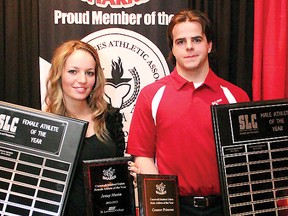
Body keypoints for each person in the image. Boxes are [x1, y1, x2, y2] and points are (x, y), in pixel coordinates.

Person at [126, 9, 250, 216]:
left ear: (209, 45)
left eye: (197, 39)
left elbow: (247, 158)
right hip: (174, 208)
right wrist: (162, 205)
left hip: (227, 208)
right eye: (181, 41)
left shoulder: (236, 96)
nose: (189, 47)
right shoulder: (151, 95)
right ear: (172, 49)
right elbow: (143, 157)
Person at [45, 40, 125, 215]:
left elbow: (117, 172)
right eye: (73, 71)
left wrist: (127, 176)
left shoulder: (110, 118)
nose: (82, 80)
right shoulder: (46, 126)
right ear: (59, 74)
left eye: (89, 73)